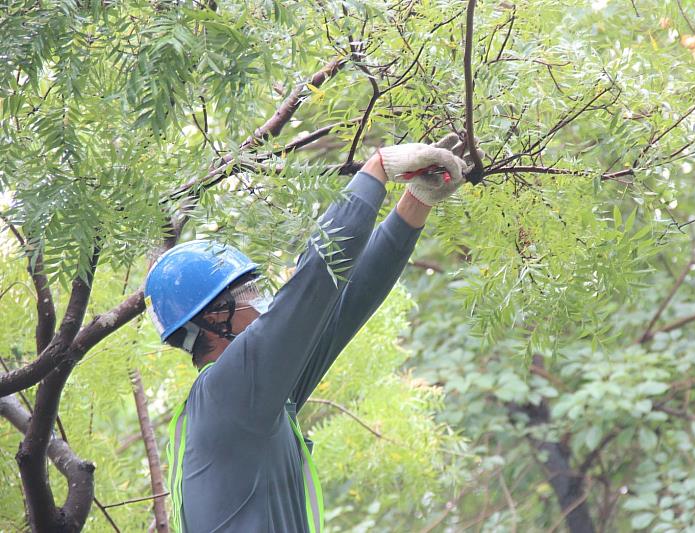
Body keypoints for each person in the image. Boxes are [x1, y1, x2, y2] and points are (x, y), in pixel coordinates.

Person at [144, 134, 479, 532]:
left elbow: (343, 302)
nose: (260, 299)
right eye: (244, 292)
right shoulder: (229, 394)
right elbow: (311, 285)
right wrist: (377, 168)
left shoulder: (257, 397)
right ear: (211, 321)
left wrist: (416, 201)